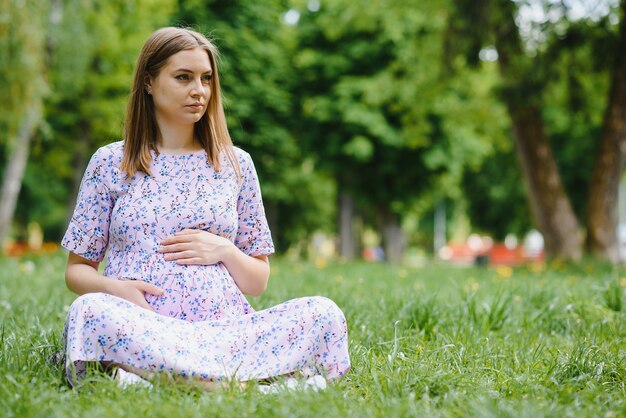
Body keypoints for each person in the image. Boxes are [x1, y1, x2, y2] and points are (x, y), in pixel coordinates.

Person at [61, 27, 350, 389]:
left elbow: (257, 281)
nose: (199, 90)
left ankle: (159, 379)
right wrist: (115, 289)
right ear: (149, 82)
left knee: (323, 313)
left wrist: (225, 250)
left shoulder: (235, 164)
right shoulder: (110, 162)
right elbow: (77, 271)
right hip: (143, 327)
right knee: (87, 312)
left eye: (206, 78)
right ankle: (242, 386)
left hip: (224, 334)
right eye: (183, 77)